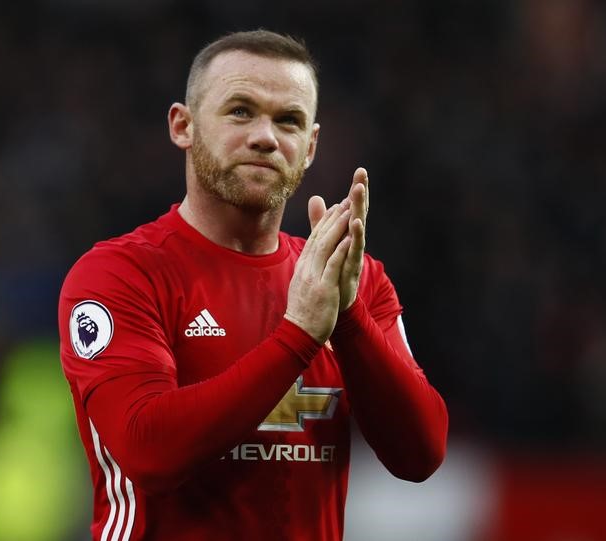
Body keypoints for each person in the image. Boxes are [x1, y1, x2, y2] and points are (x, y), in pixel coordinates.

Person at [58, 29, 448, 541]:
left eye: (288, 120)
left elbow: (420, 455)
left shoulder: (351, 279)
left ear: (309, 148)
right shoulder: (120, 274)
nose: (265, 136)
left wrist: (349, 316)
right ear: (184, 126)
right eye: (241, 111)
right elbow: (148, 451)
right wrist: (300, 335)